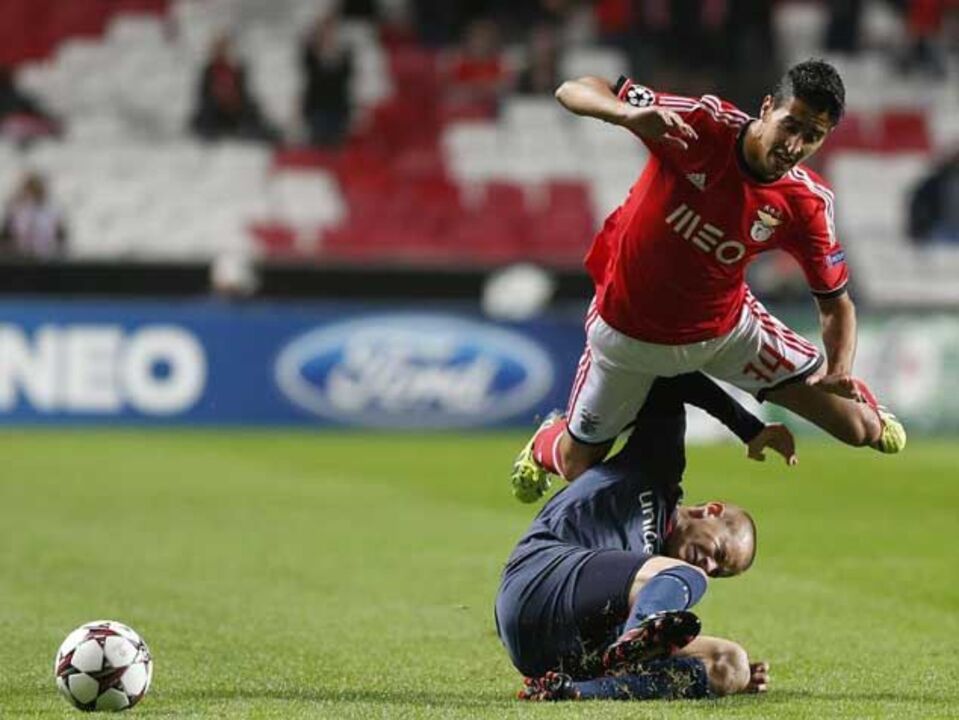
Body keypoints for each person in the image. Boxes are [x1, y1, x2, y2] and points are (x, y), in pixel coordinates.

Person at [511, 59, 906, 503]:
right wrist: (626, 114)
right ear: (767, 107)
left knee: (860, 429)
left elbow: (836, 303)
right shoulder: (699, 125)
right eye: (789, 125)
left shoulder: (807, 203)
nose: (794, 145)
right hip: (626, 332)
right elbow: (574, 88)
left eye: (811, 136)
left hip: (728, 332)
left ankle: (861, 401)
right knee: (576, 464)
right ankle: (546, 440)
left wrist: (839, 371)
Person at [497, 372, 779, 700]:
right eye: (718, 552)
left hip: (557, 655)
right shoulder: (658, 469)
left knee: (731, 664)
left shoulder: (657, 585)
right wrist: (748, 427)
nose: (711, 567)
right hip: (539, 582)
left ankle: (574, 691)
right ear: (710, 510)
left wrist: (727, 677)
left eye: (721, 573)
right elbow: (671, 378)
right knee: (684, 580)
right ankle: (636, 641)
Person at [189, 34, 279, 144]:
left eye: (224, 49)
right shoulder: (208, 71)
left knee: (252, 109)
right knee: (205, 114)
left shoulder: (236, 70)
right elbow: (204, 94)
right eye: (218, 49)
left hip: (235, 110)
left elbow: (243, 92)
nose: (221, 52)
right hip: (216, 111)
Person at [300, 14, 354, 148]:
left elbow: (347, 76)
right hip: (317, 108)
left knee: (336, 147)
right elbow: (309, 66)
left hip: (338, 108)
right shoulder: (312, 55)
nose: (329, 36)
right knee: (318, 147)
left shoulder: (345, 54)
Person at [0, 172, 67, 259]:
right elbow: (6, 237)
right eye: (31, 189)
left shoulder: (54, 212)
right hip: (20, 258)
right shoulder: (16, 211)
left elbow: (61, 238)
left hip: (46, 258)